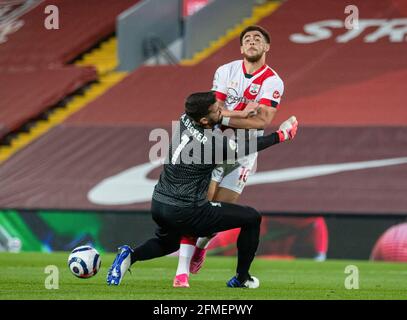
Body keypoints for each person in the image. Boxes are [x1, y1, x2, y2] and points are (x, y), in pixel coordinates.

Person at [106, 91, 298, 288]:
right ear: (205, 119)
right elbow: (246, 147)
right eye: (217, 109)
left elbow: (216, 117)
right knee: (252, 218)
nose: (221, 111)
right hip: (188, 211)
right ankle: (241, 278)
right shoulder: (213, 145)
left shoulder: (184, 119)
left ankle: (129, 256)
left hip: (159, 204)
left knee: (168, 242)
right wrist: (280, 136)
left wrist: (240, 114)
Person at [174, 25, 285, 286]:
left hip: (245, 153)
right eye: (247, 38)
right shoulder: (226, 70)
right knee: (199, 206)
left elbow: (263, 120)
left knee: (216, 215)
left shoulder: (273, 81)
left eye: (258, 38)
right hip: (215, 145)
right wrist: (244, 112)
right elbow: (216, 108)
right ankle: (181, 272)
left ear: (267, 47)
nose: (252, 41)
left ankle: (201, 247)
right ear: (241, 47)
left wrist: (228, 117)